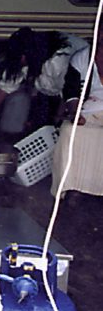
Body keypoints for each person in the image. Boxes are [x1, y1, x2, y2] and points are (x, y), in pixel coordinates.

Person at [0, 27, 89, 134]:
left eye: (21, 57)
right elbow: (8, 84)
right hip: (52, 91)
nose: (20, 60)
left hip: (81, 94)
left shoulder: (59, 60)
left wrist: (57, 123)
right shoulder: (23, 54)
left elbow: (68, 93)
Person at [51, 27, 103, 198]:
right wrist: (74, 113)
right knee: (69, 131)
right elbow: (71, 92)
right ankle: (73, 187)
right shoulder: (82, 58)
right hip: (90, 109)